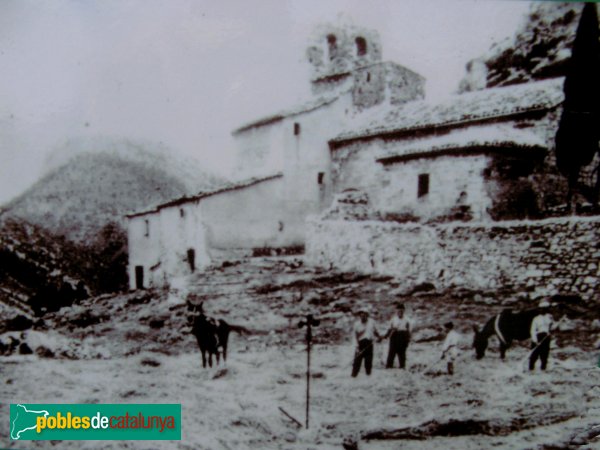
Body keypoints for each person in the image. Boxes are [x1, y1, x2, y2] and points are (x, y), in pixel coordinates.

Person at [352, 308, 382, 377]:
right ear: (359, 316)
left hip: (369, 344)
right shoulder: (356, 324)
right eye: (361, 315)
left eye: (364, 315)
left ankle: (368, 376)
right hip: (360, 344)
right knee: (357, 362)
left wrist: (379, 337)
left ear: (367, 315)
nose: (362, 316)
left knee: (368, 362)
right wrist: (357, 347)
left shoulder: (372, 322)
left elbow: (375, 331)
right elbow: (354, 336)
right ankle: (354, 376)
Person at [383, 302, 412, 369]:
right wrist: (386, 336)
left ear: (404, 311)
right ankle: (389, 366)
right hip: (394, 336)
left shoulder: (407, 320)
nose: (400, 312)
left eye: (401, 311)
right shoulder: (393, 319)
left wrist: (407, 340)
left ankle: (402, 366)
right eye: (398, 311)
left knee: (402, 352)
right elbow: (389, 328)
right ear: (396, 311)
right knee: (391, 352)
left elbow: (409, 331)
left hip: (403, 336)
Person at [529, 299, 554, 371]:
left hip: (546, 337)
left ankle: (543, 368)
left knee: (545, 353)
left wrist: (551, 329)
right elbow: (533, 330)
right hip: (538, 337)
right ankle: (531, 368)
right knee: (534, 354)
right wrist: (535, 340)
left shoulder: (550, 317)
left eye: (545, 309)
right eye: (542, 309)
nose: (543, 310)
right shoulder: (536, 319)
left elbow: (552, 327)